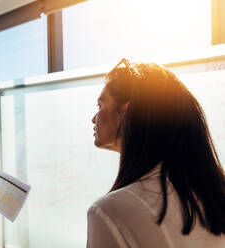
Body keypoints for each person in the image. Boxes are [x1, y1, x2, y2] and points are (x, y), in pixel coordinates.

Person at [87, 59, 225, 247]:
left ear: (126, 112)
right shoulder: (213, 198)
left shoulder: (111, 212)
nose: (94, 119)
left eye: (100, 105)